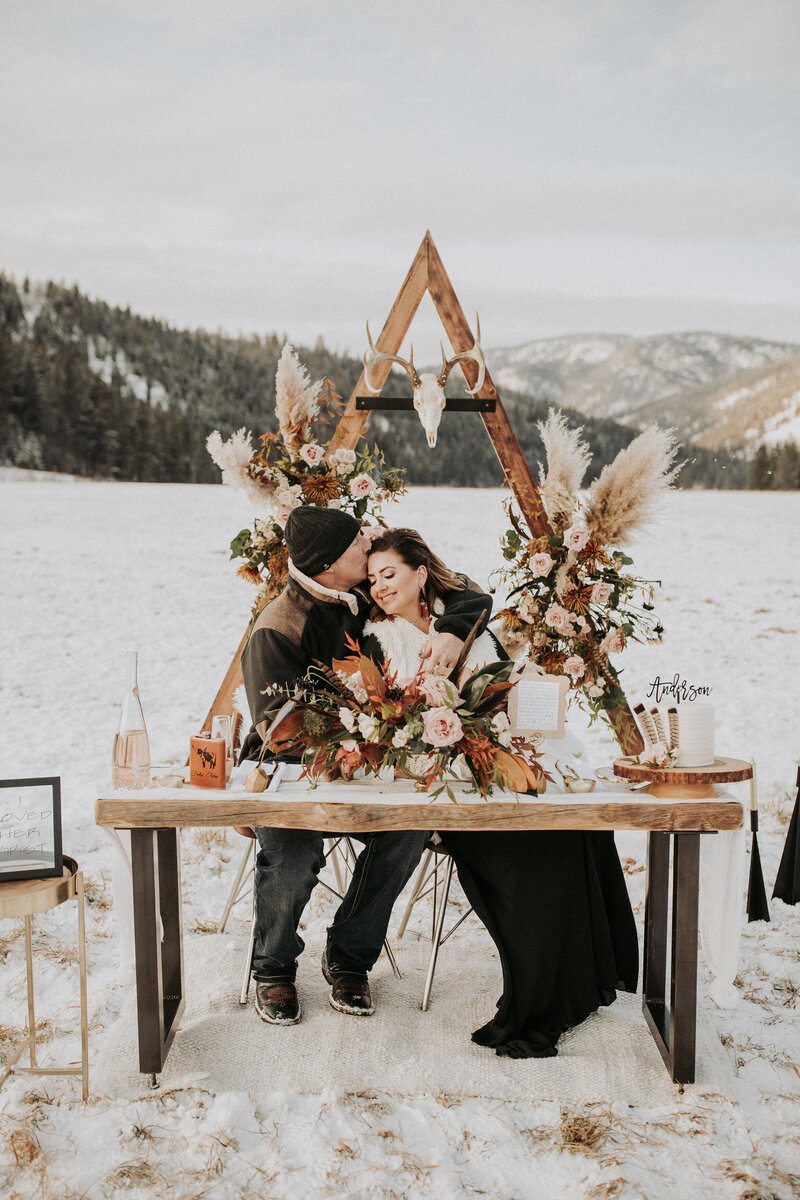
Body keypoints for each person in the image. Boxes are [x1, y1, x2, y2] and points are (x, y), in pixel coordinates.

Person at [364, 527, 639, 1058]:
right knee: (528, 844)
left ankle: (586, 974)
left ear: (421, 574)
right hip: (445, 780)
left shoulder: (461, 616)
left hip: (504, 752)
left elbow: (495, 663)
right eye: (372, 578)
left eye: (389, 574)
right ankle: (537, 995)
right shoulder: (382, 637)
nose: (378, 586)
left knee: (575, 822)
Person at [240, 506, 492, 1027]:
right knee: (293, 850)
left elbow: (467, 590)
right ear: (332, 563)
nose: (369, 544)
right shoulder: (278, 627)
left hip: (374, 763)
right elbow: (278, 728)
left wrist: (451, 627)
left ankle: (350, 958)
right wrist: (356, 731)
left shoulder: (361, 592)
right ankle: (273, 969)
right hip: (294, 772)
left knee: (407, 828)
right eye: (358, 543)